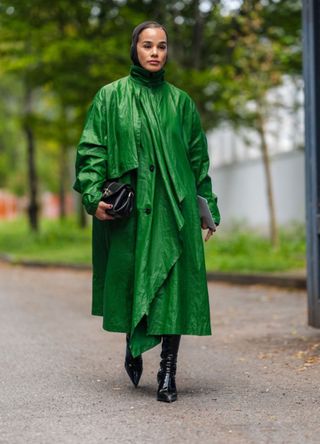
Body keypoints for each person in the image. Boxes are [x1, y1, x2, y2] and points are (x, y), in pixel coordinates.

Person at [73, 20, 220, 403]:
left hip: (177, 212)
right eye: (148, 45)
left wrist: (209, 209)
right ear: (134, 50)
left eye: (162, 46)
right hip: (132, 212)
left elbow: (198, 161)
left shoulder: (181, 102)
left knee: (173, 288)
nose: (156, 52)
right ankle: (133, 342)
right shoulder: (110, 97)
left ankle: (168, 371)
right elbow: (92, 151)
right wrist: (93, 196)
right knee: (133, 281)